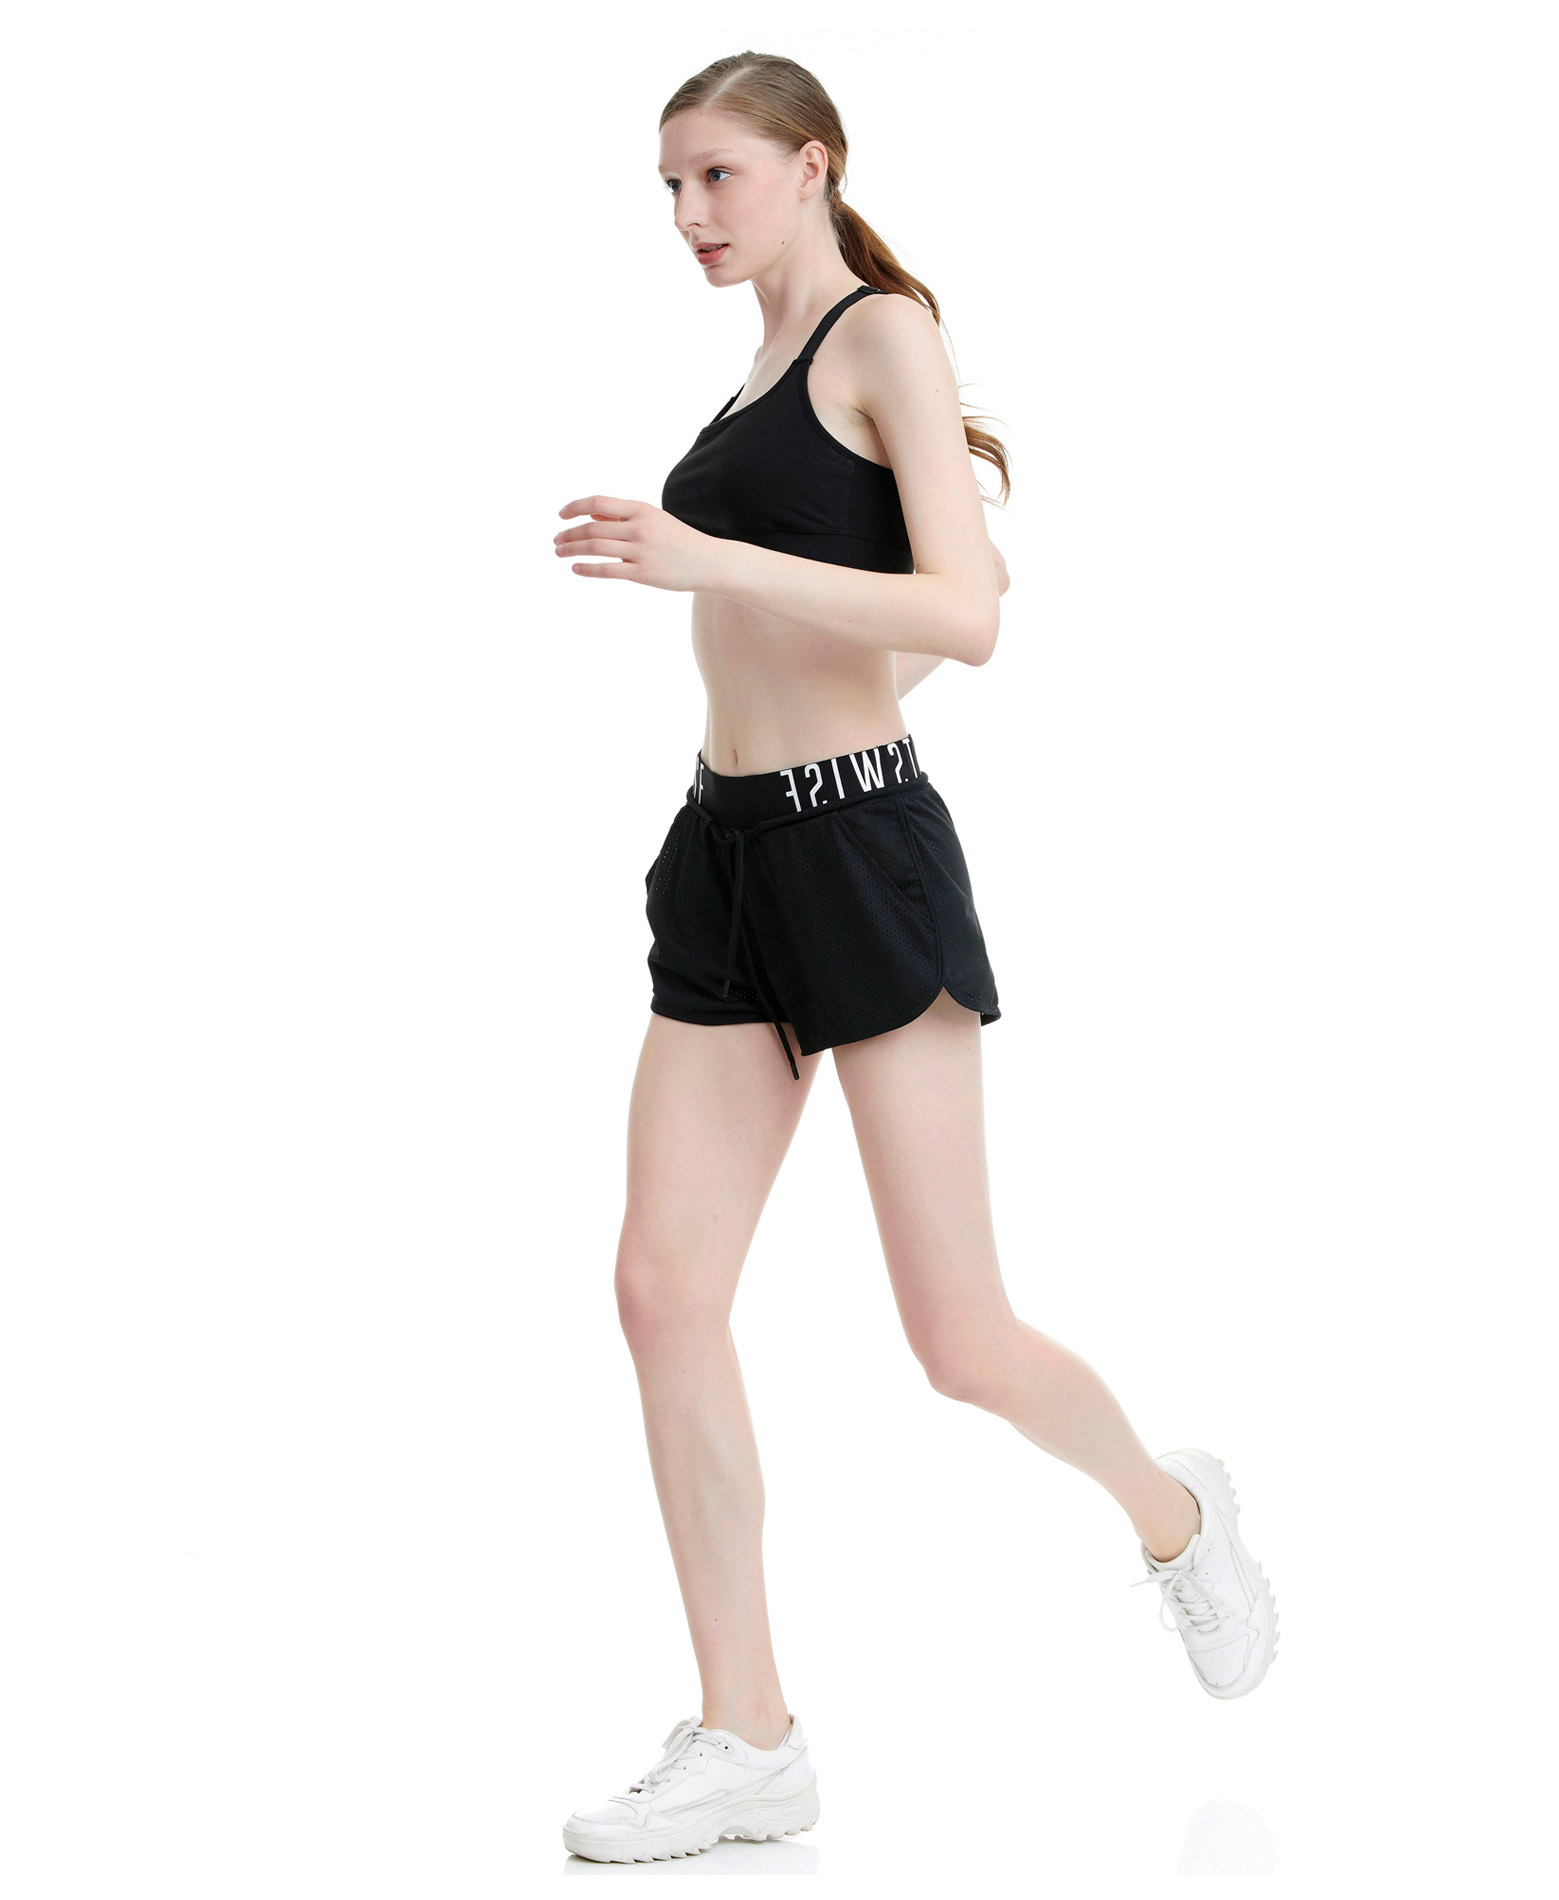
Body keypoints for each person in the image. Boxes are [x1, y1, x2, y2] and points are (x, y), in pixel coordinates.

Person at [554, 51, 1278, 1867]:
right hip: (723, 854)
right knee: (659, 1290)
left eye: (717, 176)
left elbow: (968, 615)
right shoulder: (753, 371)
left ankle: (1174, 1511)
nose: (689, 215)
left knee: (956, 1337)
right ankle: (749, 1735)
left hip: (859, 855)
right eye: (669, 187)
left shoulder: (882, 335)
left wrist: (712, 561)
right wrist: (749, 612)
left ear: (812, 166)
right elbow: (926, 608)